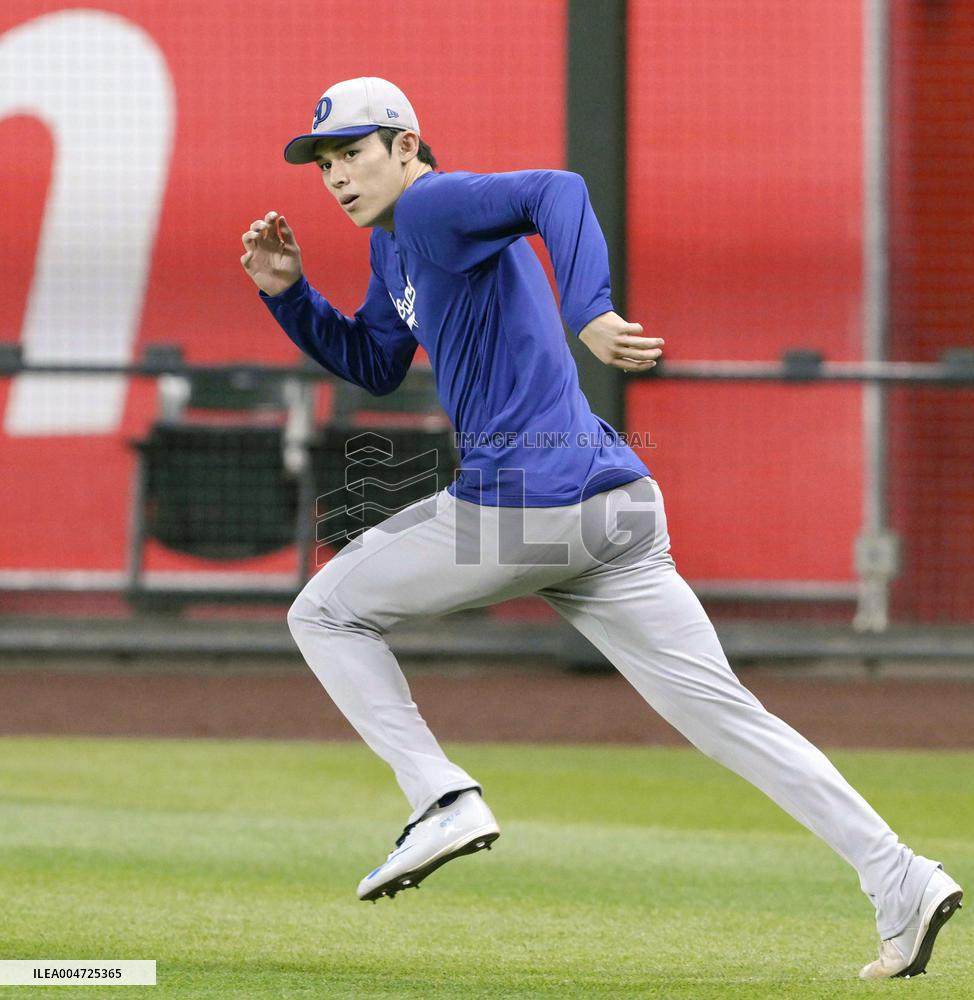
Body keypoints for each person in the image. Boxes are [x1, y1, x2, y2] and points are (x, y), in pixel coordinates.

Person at [241, 76, 962, 978]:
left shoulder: (430, 205)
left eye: (353, 152)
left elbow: (560, 190)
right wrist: (289, 294)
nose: (337, 176)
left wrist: (593, 312)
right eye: (324, 163)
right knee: (731, 718)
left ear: (407, 146)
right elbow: (378, 363)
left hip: (527, 506)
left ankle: (440, 798)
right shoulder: (398, 249)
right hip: (616, 510)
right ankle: (899, 878)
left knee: (324, 613)